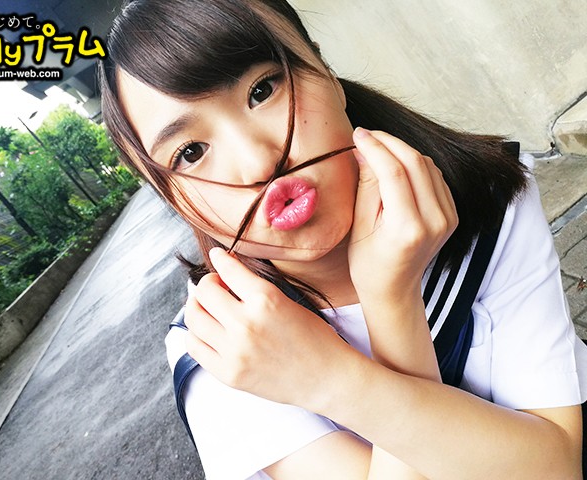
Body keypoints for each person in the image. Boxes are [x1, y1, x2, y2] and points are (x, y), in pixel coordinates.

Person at [99, 0, 587, 478]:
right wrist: (365, 342)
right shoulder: (218, 343)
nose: (259, 163)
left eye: (263, 89)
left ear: (327, 72)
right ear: (174, 199)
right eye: (190, 152)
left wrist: (352, 350)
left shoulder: (484, 198)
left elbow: (555, 465)